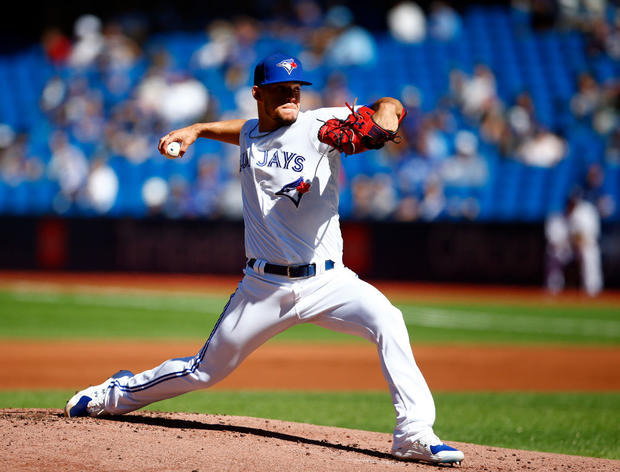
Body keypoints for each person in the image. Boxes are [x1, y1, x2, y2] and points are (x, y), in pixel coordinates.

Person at [64, 53, 464, 465]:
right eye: (281, 90)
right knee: (203, 372)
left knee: (388, 320)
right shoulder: (253, 132)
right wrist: (197, 129)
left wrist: (384, 118)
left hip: (329, 281)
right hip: (263, 287)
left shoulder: (319, 125)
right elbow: (244, 130)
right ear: (258, 94)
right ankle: (111, 394)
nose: (292, 96)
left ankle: (414, 433)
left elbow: (391, 105)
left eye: (296, 89)